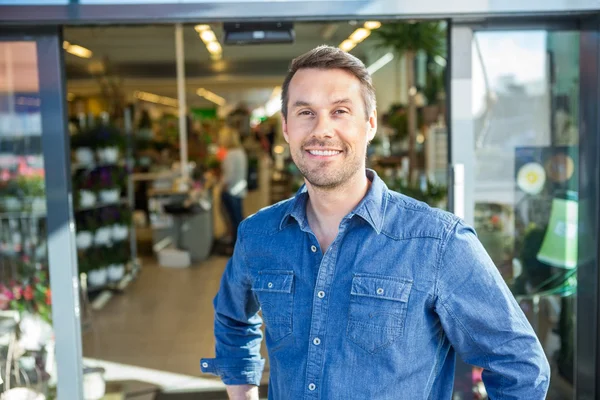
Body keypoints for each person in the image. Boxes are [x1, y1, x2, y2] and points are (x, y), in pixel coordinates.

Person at [201, 46, 550, 400]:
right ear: (287, 128)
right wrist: (242, 392)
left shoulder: (438, 242)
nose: (322, 130)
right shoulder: (258, 235)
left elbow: (520, 366)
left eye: (340, 111)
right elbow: (233, 319)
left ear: (370, 125)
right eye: (306, 112)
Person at [219, 127, 248, 248]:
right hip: (239, 189)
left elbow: (229, 176)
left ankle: (236, 246)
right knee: (238, 218)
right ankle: (241, 244)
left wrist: (222, 187)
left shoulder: (230, 154)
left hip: (231, 191)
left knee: (233, 219)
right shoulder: (240, 152)